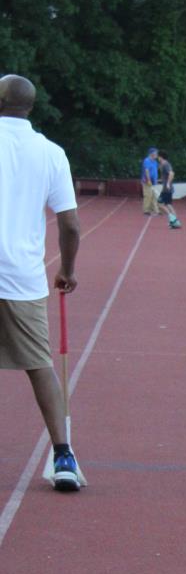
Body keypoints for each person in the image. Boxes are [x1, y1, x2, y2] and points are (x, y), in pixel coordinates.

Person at [0, 74, 82, 490]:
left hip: (19, 277)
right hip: (23, 277)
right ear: (31, 107)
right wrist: (67, 269)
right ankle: (63, 454)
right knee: (39, 366)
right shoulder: (51, 152)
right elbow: (70, 224)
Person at [157, 152, 182, 229]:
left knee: (160, 204)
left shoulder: (166, 164)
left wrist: (168, 183)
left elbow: (171, 173)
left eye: (158, 157)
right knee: (168, 204)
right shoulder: (163, 164)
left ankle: (173, 219)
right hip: (166, 188)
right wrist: (160, 180)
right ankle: (175, 221)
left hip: (167, 188)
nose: (157, 158)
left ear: (161, 157)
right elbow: (166, 176)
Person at [141, 147, 161, 215]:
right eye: (156, 153)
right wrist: (149, 180)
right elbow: (146, 171)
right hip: (147, 181)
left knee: (154, 196)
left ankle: (155, 209)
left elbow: (157, 168)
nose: (157, 155)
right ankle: (146, 210)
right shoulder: (147, 160)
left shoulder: (154, 161)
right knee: (148, 195)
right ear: (151, 154)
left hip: (153, 181)